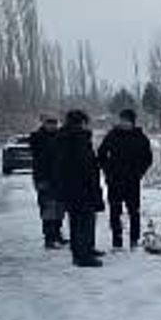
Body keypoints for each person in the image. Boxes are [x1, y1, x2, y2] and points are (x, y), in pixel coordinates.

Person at [53, 109, 105, 268]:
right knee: (84, 220)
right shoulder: (77, 138)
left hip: (72, 187)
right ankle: (83, 255)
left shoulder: (63, 138)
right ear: (81, 122)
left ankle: (84, 249)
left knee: (78, 220)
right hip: (82, 186)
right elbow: (84, 164)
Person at [96, 108, 154, 249]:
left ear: (133, 122)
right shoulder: (112, 135)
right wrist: (107, 170)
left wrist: (139, 172)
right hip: (114, 180)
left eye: (127, 121)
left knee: (134, 211)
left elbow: (148, 158)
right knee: (115, 211)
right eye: (122, 120)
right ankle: (117, 240)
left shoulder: (140, 137)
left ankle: (134, 240)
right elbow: (101, 154)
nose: (124, 123)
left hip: (132, 181)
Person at [27, 114, 66, 249]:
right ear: (44, 123)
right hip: (43, 178)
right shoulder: (37, 137)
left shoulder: (61, 137)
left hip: (60, 178)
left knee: (60, 208)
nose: (52, 126)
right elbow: (39, 157)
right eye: (49, 123)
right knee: (48, 208)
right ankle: (49, 238)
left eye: (54, 123)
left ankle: (57, 234)